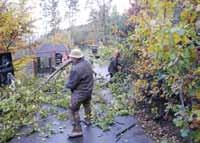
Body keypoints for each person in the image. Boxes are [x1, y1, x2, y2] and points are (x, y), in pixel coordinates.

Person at [65, 49, 94, 138]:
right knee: (87, 104)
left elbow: (71, 84)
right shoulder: (87, 63)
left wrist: (66, 85)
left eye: (72, 58)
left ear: (76, 58)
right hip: (89, 90)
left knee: (72, 109)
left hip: (80, 92)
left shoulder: (76, 69)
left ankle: (77, 130)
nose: (71, 59)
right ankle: (88, 120)